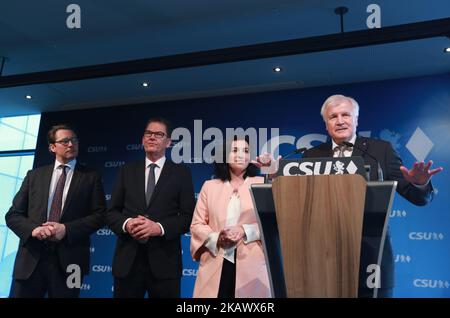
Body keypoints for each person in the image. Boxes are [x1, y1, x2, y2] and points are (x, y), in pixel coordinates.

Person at [302, 94, 443, 297]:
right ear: (326, 125)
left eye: (345, 115)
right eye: (333, 117)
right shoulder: (311, 156)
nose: (340, 121)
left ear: (356, 120)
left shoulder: (381, 150)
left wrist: (419, 183)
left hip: (371, 254)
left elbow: (417, 198)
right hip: (323, 258)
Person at [5, 124, 106, 298]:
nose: (71, 144)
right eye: (65, 141)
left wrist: (66, 229)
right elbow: (13, 215)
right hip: (31, 261)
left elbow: (100, 215)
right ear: (52, 147)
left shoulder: (91, 177)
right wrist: (34, 229)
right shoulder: (34, 176)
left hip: (72, 263)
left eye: (74, 140)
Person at [105, 117, 195, 298]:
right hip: (127, 263)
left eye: (159, 134)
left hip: (165, 264)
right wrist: (128, 223)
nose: (152, 137)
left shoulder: (181, 173)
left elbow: (187, 217)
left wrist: (158, 228)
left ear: (168, 142)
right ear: (142, 139)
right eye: (148, 133)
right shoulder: (126, 170)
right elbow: (111, 213)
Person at [190, 137, 272, 298]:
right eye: (235, 150)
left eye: (246, 151)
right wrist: (216, 237)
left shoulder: (263, 183)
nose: (241, 155)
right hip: (216, 260)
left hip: (251, 264)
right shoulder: (209, 186)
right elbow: (197, 224)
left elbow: (271, 223)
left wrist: (245, 230)